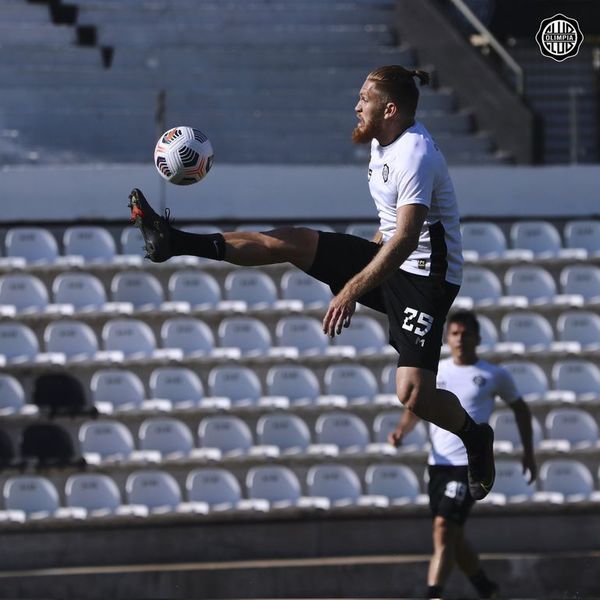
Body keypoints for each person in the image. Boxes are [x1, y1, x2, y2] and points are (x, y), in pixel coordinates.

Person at [128, 65, 496, 499]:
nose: (357, 105)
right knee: (295, 241)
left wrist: (352, 288)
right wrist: (357, 271)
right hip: (392, 258)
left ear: (390, 109)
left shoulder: (416, 154)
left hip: (426, 280)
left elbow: (406, 239)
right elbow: (388, 226)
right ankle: (173, 241)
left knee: (413, 394)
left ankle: (475, 437)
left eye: (365, 99)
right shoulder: (384, 143)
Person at [389, 310, 537, 599]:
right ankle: (485, 587)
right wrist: (401, 431)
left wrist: (528, 453)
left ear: (477, 338)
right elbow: (417, 406)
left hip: (468, 464)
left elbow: (520, 408)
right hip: (438, 464)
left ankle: (433, 594)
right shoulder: (438, 370)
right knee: (452, 536)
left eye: (466, 333)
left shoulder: (493, 374)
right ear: (447, 338)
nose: (460, 339)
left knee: (444, 528)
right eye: (455, 334)